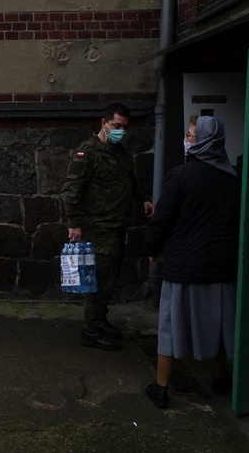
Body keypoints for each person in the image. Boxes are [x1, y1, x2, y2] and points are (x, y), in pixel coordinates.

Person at [143, 116, 240, 409]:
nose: (187, 139)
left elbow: (162, 219)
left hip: (184, 266)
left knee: (171, 326)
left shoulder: (182, 175)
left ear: (205, 141)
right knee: (220, 324)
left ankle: (161, 388)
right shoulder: (234, 177)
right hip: (221, 266)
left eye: (191, 135)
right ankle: (219, 377)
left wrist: (151, 249)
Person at [61, 103, 154, 351]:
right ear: (104, 123)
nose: (121, 131)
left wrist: (144, 197)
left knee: (109, 281)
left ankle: (100, 322)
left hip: (116, 228)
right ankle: (91, 332)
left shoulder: (121, 152)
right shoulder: (87, 153)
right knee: (99, 282)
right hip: (97, 229)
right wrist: (75, 225)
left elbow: (131, 179)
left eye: (124, 127)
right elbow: (71, 192)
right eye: (116, 126)